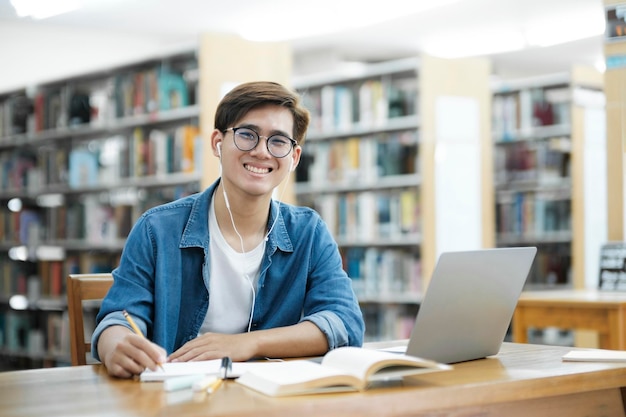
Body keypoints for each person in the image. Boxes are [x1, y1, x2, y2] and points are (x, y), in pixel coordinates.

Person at [92, 81, 365, 378]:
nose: (262, 151)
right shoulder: (157, 229)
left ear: (294, 157)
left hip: (269, 399)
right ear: (217, 143)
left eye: (278, 141)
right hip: (176, 395)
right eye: (247, 135)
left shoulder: (308, 232)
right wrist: (115, 345)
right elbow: (119, 318)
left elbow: (344, 323)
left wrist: (247, 344)